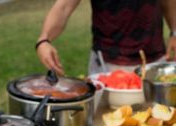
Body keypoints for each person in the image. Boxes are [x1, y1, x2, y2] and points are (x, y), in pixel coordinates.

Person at [35, 0, 176, 75]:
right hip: (109, 66)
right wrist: (44, 39)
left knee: (160, 125)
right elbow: (64, 6)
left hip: (154, 64)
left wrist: (174, 31)